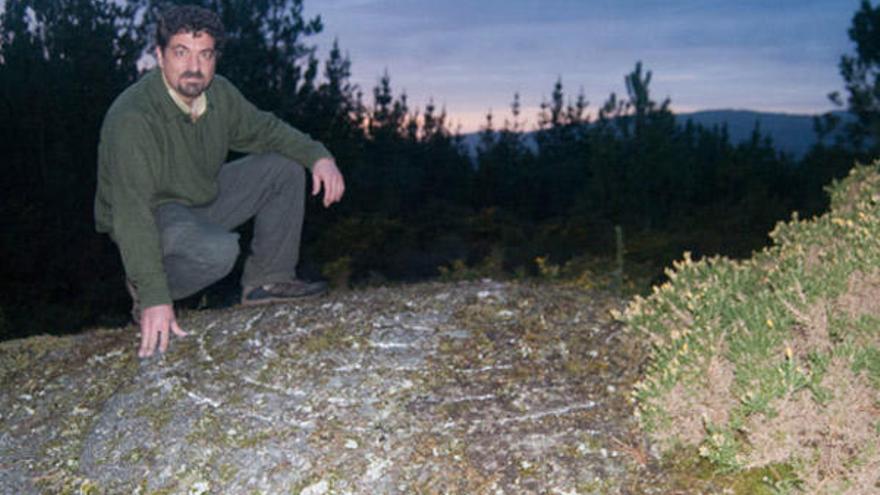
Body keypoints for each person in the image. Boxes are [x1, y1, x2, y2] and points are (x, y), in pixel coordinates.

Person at [95, 5, 344, 358]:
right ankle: (145, 287)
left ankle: (266, 281)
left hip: (201, 194)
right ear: (159, 56)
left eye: (205, 54)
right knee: (218, 251)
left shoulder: (219, 96)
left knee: (283, 168)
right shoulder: (133, 118)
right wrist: (154, 297)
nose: (194, 67)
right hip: (154, 211)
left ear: (215, 59)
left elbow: (266, 130)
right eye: (181, 53)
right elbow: (132, 212)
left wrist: (318, 155)